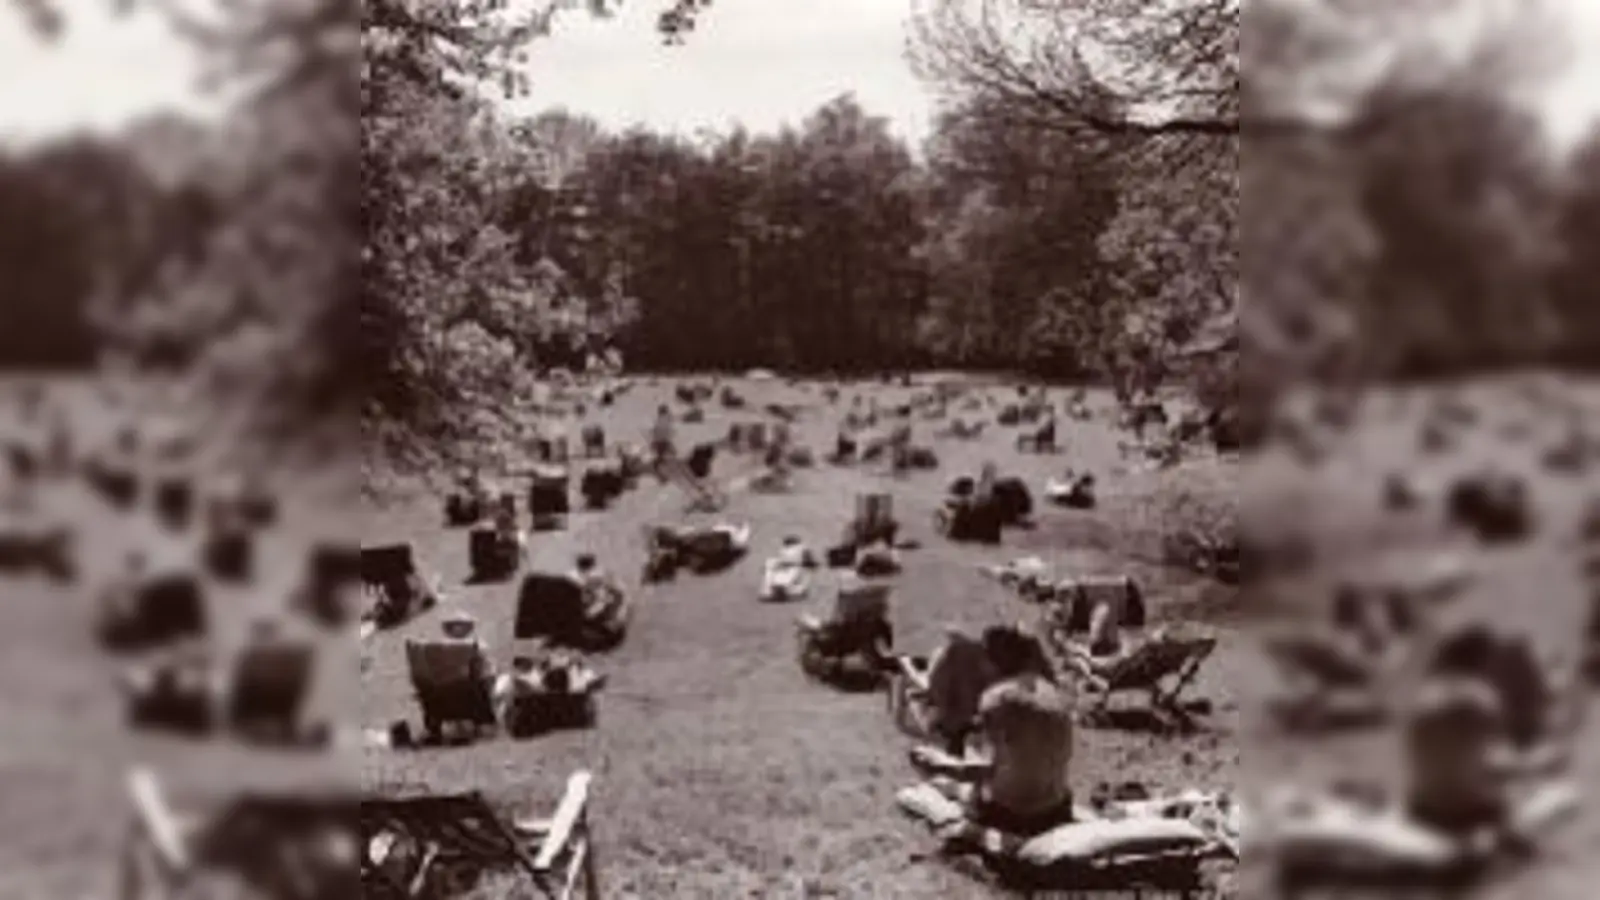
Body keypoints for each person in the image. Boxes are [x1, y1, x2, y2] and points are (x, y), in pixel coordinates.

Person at [938, 626, 1075, 851]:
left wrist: (940, 766)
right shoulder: (1055, 693)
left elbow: (982, 768)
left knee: (963, 785)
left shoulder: (996, 698)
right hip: (1058, 810)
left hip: (1014, 816)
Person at [1404, 623, 1519, 850]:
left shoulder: (1422, 697)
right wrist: (1534, 764)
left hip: (1421, 806)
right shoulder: (1482, 698)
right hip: (1468, 810)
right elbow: (1495, 763)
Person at [922, 625, 1000, 756]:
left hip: (953, 716)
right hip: (967, 716)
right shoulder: (992, 668)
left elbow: (938, 684)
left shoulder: (956, 654)